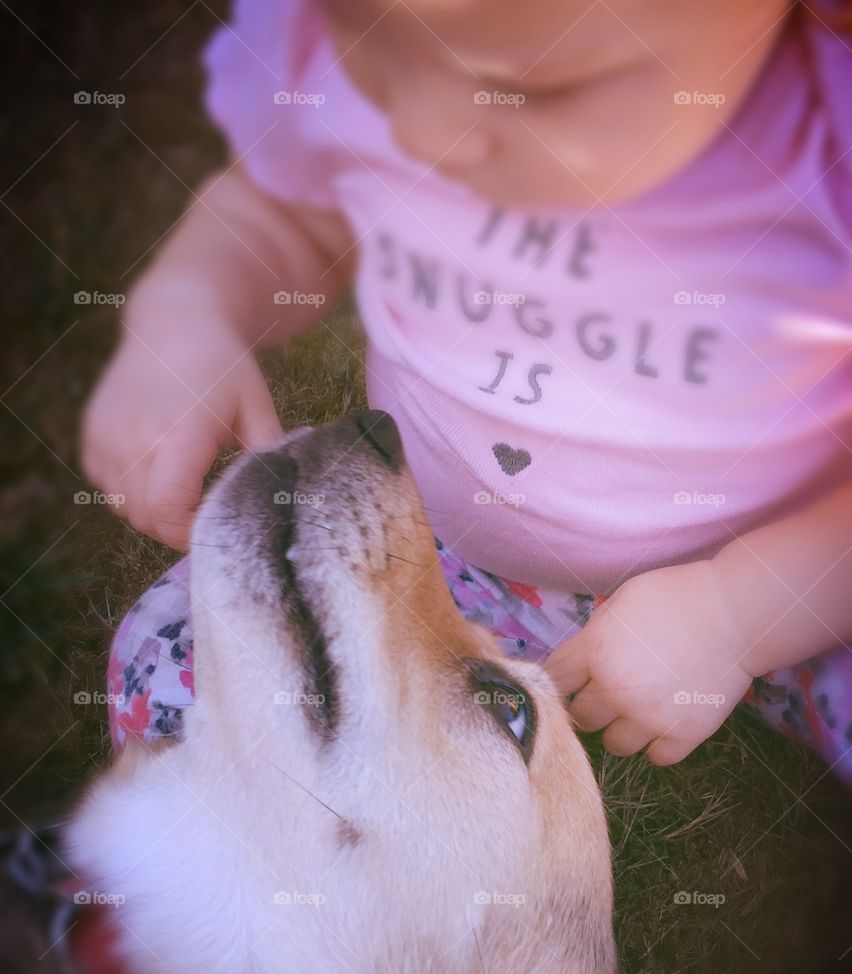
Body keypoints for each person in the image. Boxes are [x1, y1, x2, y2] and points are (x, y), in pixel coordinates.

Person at [82, 0, 852, 781]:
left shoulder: (824, 143)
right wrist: (188, 311)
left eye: (531, 92)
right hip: (442, 556)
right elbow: (285, 212)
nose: (419, 132)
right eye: (379, 60)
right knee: (178, 650)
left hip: (792, 572)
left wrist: (734, 614)